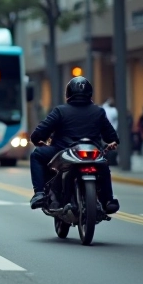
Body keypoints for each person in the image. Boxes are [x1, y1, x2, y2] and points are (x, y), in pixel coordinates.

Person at [29, 76, 120, 214]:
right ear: (89, 93)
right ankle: (108, 200)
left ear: (68, 94)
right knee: (103, 166)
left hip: (64, 151)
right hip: (92, 152)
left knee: (36, 155)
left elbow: (40, 132)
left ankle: (40, 193)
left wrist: (38, 141)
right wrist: (112, 143)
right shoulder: (98, 112)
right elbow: (111, 136)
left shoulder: (60, 111)